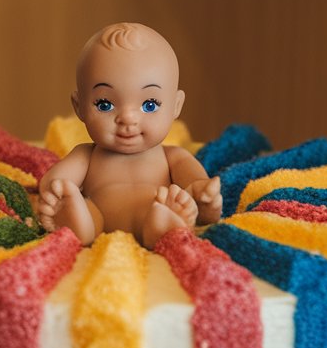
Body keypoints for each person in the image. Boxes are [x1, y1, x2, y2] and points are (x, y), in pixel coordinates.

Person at [38, 23, 222, 248]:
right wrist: (58, 195)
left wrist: (204, 199)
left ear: (176, 105)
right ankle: (77, 223)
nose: (127, 118)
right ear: (80, 107)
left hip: (154, 208)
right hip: (99, 216)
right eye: (105, 104)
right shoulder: (86, 154)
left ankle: (164, 226)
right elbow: (54, 183)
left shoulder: (174, 157)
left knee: (167, 204)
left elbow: (196, 185)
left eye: (150, 104)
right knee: (87, 209)